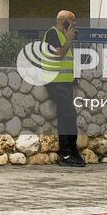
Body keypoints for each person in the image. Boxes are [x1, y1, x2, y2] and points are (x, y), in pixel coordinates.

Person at [43, 10, 85, 166]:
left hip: (65, 82)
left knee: (66, 116)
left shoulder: (64, 36)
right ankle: (67, 153)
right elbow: (58, 54)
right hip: (55, 82)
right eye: (72, 21)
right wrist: (68, 40)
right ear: (65, 21)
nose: (75, 24)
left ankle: (71, 151)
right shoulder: (52, 34)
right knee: (68, 115)